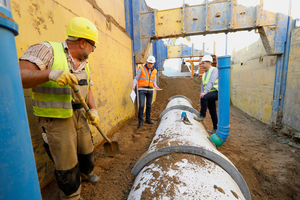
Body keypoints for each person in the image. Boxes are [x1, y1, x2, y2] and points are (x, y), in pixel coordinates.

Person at [19, 17, 100, 200]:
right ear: (82, 43)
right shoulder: (47, 50)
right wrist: (51, 74)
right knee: (66, 162)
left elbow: (89, 90)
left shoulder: (85, 64)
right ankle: (71, 196)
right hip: (56, 120)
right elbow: (19, 75)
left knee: (86, 149)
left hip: (79, 114)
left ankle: (87, 173)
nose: (93, 49)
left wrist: (93, 110)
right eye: (92, 45)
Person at [131, 55, 160, 129]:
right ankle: (140, 122)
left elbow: (153, 80)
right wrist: (133, 85)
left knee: (149, 106)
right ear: (146, 62)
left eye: (151, 63)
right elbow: (136, 78)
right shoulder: (141, 69)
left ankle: (148, 119)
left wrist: (155, 86)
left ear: (153, 63)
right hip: (142, 90)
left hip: (150, 90)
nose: (149, 64)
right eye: (148, 63)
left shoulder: (155, 71)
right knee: (141, 106)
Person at [194, 55, 218, 134]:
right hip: (209, 93)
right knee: (212, 111)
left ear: (208, 62)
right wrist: (201, 93)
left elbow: (211, 81)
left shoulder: (214, 70)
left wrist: (204, 93)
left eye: (203, 63)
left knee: (205, 98)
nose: (202, 65)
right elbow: (203, 85)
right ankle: (216, 128)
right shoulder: (205, 73)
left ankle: (202, 115)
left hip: (216, 92)